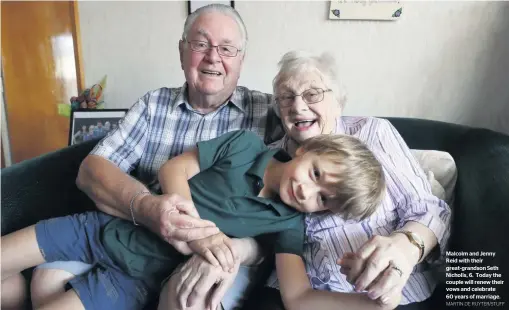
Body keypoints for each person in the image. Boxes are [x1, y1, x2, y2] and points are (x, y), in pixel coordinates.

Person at [0, 4, 271, 310]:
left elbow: (315, 158)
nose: (213, 56)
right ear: (182, 51)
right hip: (131, 232)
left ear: (242, 60)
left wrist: (236, 247)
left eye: (227, 48)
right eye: (200, 44)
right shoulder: (155, 104)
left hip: (199, 257)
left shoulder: (267, 114)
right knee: (43, 281)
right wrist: (146, 207)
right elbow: (92, 170)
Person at [159, 51, 451, 310]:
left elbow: (430, 209)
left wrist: (404, 247)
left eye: (312, 94)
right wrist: (223, 250)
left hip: (386, 291)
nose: (297, 107)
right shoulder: (269, 159)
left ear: (338, 102)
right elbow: (249, 226)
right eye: (286, 97)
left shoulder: (372, 132)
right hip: (296, 290)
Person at [1, 130, 387, 310]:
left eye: (323, 201)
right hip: (101, 230)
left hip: (136, 280)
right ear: (307, 148)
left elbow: (298, 296)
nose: (307, 192)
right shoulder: (245, 145)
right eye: (316, 174)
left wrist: (372, 304)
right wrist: (198, 232)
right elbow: (174, 170)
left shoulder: (288, 224)